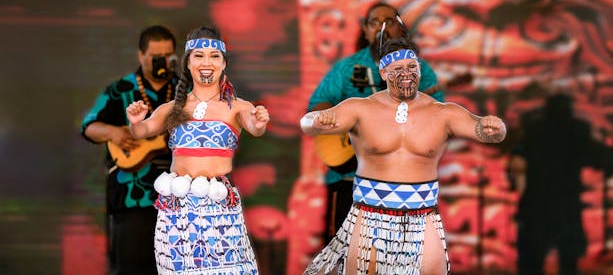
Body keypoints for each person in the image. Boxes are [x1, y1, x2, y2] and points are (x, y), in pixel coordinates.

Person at [300, 37, 507, 274]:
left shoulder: (443, 113)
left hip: (423, 216)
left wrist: (495, 128)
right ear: (384, 72)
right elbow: (306, 124)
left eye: (412, 67)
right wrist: (316, 121)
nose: (406, 73)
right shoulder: (359, 108)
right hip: (369, 215)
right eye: (398, 68)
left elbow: (485, 131)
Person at [125, 26, 269, 274]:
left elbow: (255, 128)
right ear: (188, 63)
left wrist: (259, 121)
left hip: (219, 207)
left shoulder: (237, 107)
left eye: (215, 56)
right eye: (199, 55)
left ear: (223, 64)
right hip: (177, 208)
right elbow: (142, 132)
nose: (207, 62)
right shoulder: (171, 108)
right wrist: (135, 122)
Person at [308, 1, 444, 242]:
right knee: (345, 251)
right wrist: (342, 121)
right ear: (365, 30)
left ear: (400, 28)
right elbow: (317, 108)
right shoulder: (348, 68)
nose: (382, 27)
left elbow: (440, 122)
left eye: (390, 21)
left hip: (401, 183)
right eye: (375, 22)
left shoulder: (418, 70)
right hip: (348, 178)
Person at [81, 25, 178, 275]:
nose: (162, 61)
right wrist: (114, 132)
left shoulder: (186, 91)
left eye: (168, 56)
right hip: (132, 194)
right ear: (141, 56)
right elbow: (88, 126)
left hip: (180, 197)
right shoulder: (119, 90)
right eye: (156, 56)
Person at [508, 93, 611, 275]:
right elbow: (600, 157)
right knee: (567, 261)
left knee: (534, 261)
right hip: (564, 205)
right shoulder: (575, 132)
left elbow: (516, 159)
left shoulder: (535, 131)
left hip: (538, 204)